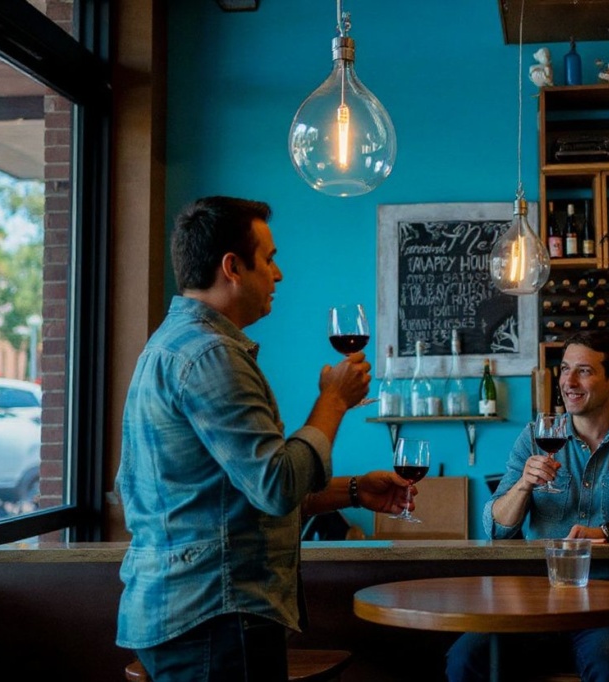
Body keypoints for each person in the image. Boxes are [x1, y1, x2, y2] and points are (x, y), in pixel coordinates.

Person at [115, 196, 412, 682]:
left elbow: (235, 497)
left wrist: (354, 491)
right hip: (216, 613)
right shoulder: (210, 355)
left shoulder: (174, 344)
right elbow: (275, 485)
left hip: (189, 610)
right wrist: (333, 401)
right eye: (269, 259)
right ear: (232, 267)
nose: (279, 275)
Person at [446, 330, 609, 682]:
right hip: (534, 603)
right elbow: (497, 526)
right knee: (465, 658)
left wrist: (608, 533)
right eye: (564, 370)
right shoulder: (534, 436)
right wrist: (524, 485)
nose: (569, 382)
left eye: (584, 371)